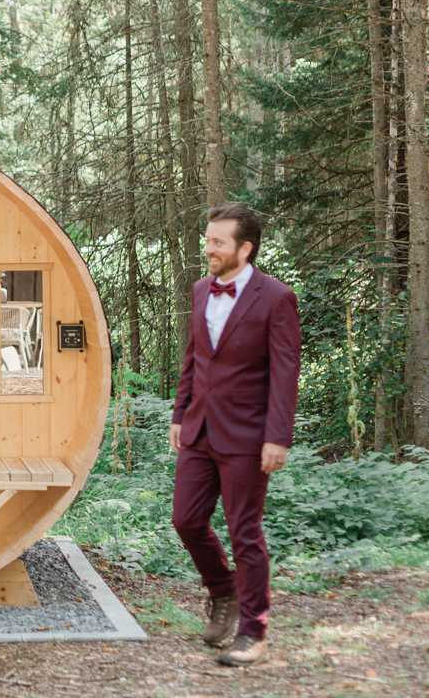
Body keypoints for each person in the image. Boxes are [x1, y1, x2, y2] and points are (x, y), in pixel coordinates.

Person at [170, 203, 300, 667]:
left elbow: (286, 372)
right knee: (185, 519)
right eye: (208, 240)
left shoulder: (276, 297)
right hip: (200, 428)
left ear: (244, 249)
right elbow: (195, 358)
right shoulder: (201, 289)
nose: (208, 248)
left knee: (244, 532)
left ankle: (253, 632)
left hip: (248, 434)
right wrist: (180, 413)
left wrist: (277, 436)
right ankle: (222, 592)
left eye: (217, 242)